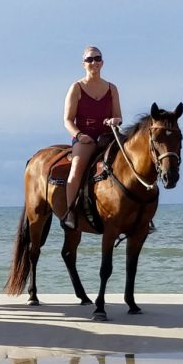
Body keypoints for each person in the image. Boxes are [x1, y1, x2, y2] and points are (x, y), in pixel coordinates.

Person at [61, 45, 122, 230]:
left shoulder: (112, 88)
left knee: (133, 160)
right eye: (89, 59)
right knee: (76, 170)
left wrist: (114, 120)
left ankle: (140, 212)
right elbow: (67, 120)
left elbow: (119, 116)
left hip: (107, 136)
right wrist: (80, 135)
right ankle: (70, 213)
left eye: (97, 58)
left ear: (102, 62)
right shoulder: (76, 87)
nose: (93, 62)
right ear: (83, 64)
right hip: (84, 137)